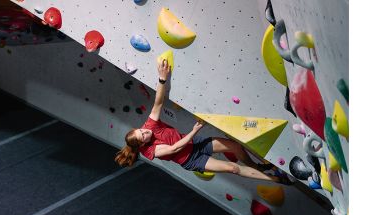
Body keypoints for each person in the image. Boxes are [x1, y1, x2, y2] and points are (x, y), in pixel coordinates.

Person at [115, 59, 292, 184]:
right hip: (191, 158)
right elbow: (176, 148)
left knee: (235, 146)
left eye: (141, 130)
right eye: (143, 136)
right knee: (233, 168)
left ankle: (258, 167)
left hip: (195, 144)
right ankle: (275, 179)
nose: (146, 131)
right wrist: (195, 130)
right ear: (142, 144)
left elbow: (158, 102)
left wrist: (162, 78)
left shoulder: (149, 126)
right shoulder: (150, 151)